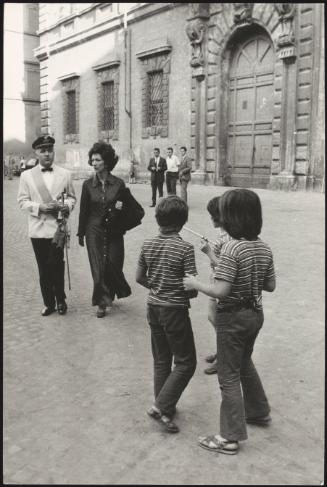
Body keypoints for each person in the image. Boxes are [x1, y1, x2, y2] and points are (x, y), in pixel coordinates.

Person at [184, 189, 276, 455]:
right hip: (254, 315)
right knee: (244, 362)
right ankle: (258, 411)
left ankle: (229, 437)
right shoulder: (263, 246)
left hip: (231, 317)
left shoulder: (232, 248)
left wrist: (195, 283)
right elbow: (269, 285)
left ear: (232, 217)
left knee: (228, 375)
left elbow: (221, 290)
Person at [136, 196, 198, 434]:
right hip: (175, 311)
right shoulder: (185, 248)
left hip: (153, 308)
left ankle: (165, 407)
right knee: (186, 362)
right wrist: (183, 294)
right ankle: (160, 406)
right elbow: (190, 286)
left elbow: (140, 277)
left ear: (158, 219)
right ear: (182, 223)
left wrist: (158, 287)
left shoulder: (148, 244)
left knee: (162, 360)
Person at [17, 135, 76, 316]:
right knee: (43, 268)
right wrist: (40, 207)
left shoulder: (65, 174)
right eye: (43, 151)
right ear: (37, 152)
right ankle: (48, 303)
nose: (47, 154)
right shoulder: (27, 176)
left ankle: (60, 300)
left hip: (57, 229)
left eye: (50, 150)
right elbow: (22, 201)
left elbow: (72, 197)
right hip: (37, 230)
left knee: (57, 265)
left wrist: (68, 206)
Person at [77, 141, 135, 318]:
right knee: (99, 268)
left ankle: (111, 292)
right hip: (93, 230)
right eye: (92, 160)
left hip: (114, 230)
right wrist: (81, 232)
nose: (93, 163)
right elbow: (84, 210)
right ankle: (101, 303)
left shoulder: (118, 184)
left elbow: (127, 208)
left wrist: (121, 219)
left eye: (97, 160)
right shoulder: (87, 185)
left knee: (113, 264)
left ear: (107, 162)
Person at [199, 196, 233, 375]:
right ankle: (221, 352)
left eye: (213, 216)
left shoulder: (229, 237)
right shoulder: (223, 233)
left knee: (218, 320)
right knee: (213, 318)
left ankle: (223, 359)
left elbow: (226, 267)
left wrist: (209, 252)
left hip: (221, 282)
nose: (211, 219)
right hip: (216, 279)